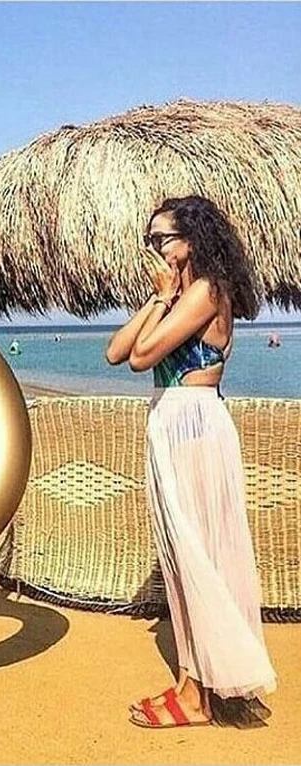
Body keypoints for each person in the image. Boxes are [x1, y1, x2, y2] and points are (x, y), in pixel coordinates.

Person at [105, 195, 276, 729]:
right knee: (182, 559)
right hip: (171, 422)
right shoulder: (178, 296)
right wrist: (159, 299)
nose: (154, 248)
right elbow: (115, 351)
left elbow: (142, 358)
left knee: (200, 555)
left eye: (163, 239)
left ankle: (204, 695)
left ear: (192, 241)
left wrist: (163, 298)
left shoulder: (207, 291)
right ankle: (190, 683)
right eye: (150, 240)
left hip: (194, 422)